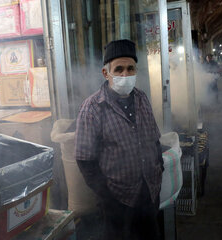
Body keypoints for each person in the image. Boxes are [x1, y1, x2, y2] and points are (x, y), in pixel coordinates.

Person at [75, 39, 163, 240]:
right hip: (117, 201)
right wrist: (106, 196)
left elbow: (154, 139)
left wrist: (159, 170)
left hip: (149, 192)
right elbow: (84, 160)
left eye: (131, 69)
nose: (125, 74)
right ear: (106, 73)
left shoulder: (142, 98)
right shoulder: (92, 109)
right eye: (119, 69)